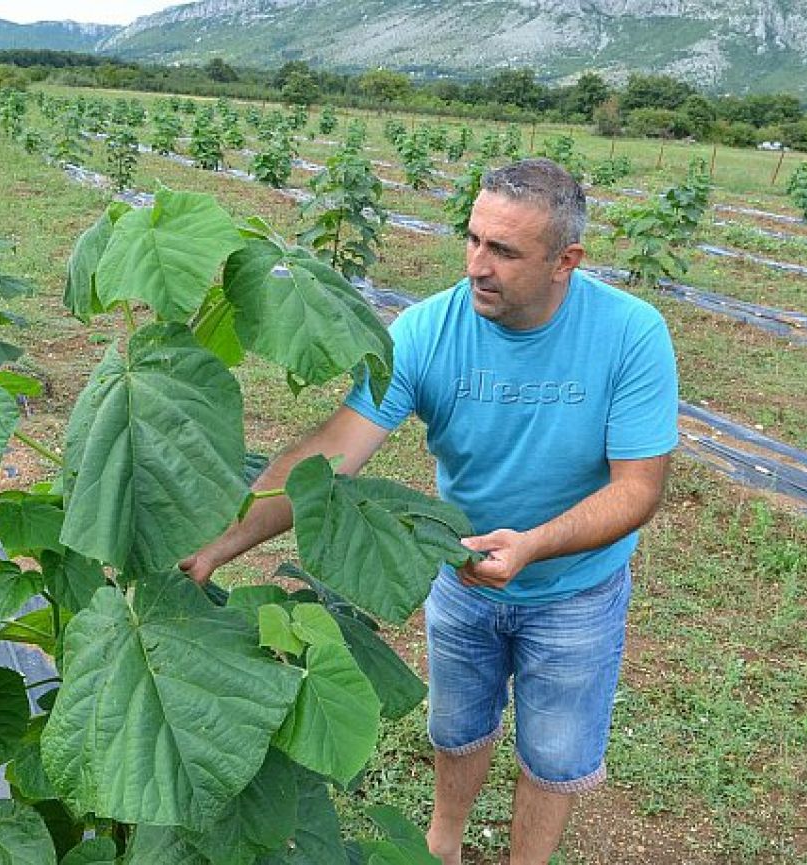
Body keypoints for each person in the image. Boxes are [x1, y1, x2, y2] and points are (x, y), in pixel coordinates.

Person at [180, 157, 677, 864]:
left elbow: (637, 489)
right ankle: (440, 847)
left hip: (576, 591)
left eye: (503, 250)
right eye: (472, 239)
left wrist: (534, 545)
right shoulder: (425, 330)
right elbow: (330, 454)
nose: (477, 264)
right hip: (462, 574)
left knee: (555, 754)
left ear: (565, 259)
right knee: (457, 726)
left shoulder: (630, 333)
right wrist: (216, 545)